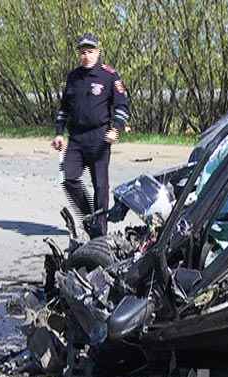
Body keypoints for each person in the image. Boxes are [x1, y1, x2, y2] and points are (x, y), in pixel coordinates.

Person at [52, 33, 130, 238]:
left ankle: (100, 231)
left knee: (100, 186)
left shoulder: (109, 75)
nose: (86, 56)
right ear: (79, 54)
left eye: (90, 51)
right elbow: (64, 108)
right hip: (77, 138)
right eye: (83, 52)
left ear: (98, 52)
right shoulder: (73, 77)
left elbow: (122, 105)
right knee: (69, 179)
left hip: (100, 137)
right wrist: (59, 133)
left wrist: (116, 129)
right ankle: (89, 219)